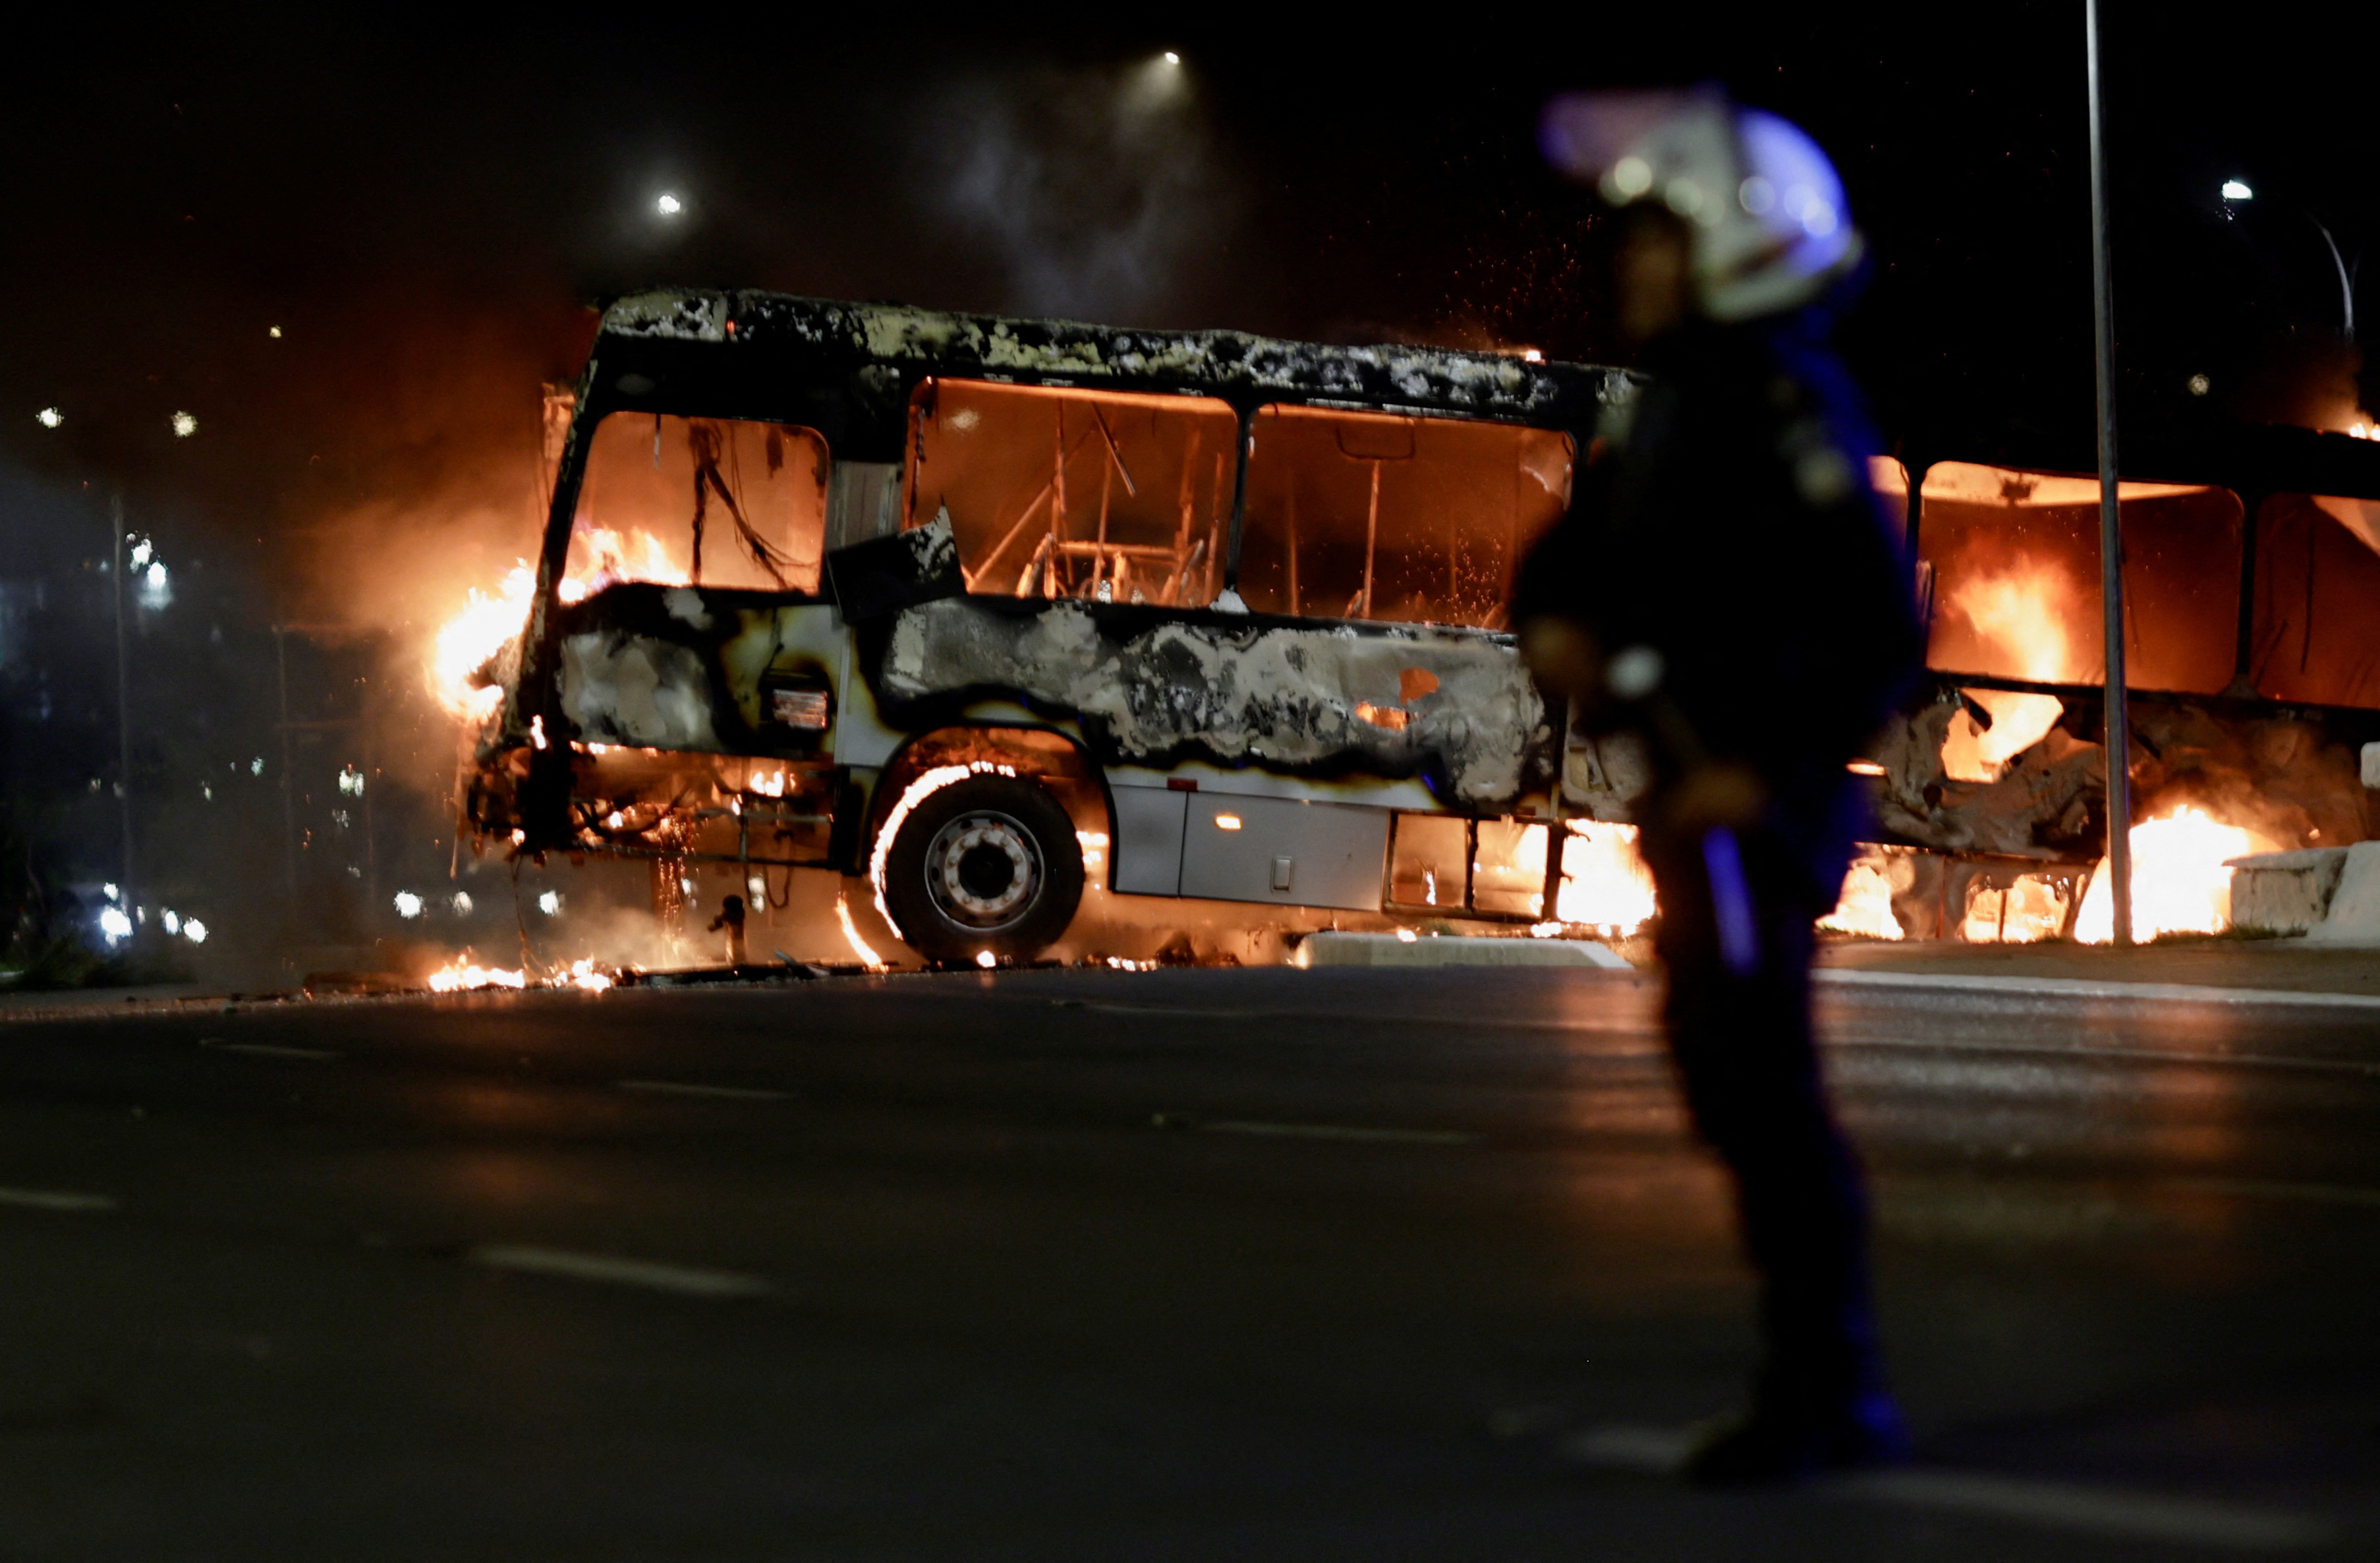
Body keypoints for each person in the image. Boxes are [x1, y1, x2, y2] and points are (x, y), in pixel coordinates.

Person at [1519, 91, 1924, 1483]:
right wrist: (1553, 619)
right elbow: (1582, 558)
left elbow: (1876, 625)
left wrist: (1759, 765)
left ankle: (1831, 1389)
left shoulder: (1784, 408)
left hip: (1759, 806)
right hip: (1694, 800)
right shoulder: (1687, 411)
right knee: (1726, 1072)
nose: (1630, 270)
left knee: (1765, 1088)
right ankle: (1817, 1377)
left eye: (1657, 244)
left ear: (1744, 249)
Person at [706, 893, 748, 967]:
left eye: (725, 909)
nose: (723, 911)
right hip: (736, 958)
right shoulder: (736, 919)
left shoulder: (734, 919)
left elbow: (721, 919)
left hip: (737, 960)